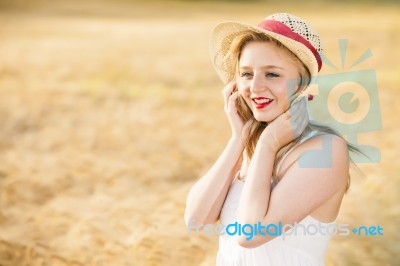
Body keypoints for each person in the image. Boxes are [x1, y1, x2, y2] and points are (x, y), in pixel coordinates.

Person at [184, 13, 355, 265]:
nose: (255, 87)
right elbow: (196, 220)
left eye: (272, 74)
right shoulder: (250, 147)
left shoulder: (325, 150)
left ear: (302, 85)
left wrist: (267, 144)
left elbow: (249, 235)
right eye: (246, 74)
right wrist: (238, 139)